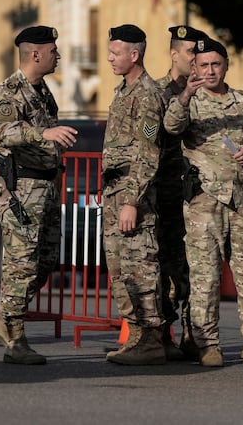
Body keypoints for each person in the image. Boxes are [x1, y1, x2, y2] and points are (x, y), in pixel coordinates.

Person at [164, 37, 243, 369]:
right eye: (203, 65)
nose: (209, 71)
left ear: (226, 66)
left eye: (215, 64)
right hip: (204, 201)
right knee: (205, 277)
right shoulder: (188, 102)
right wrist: (187, 93)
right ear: (194, 68)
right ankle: (207, 344)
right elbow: (170, 127)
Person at [0, 25, 77, 365]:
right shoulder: (8, 92)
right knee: (21, 264)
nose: (59, 56)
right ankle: (15, 338)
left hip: (46, 186)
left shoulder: (41, 90)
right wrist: (44, 132)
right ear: (35, 54)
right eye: (54, 51)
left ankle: (3, 318)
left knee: (45, 261)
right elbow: (3, 132)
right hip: (22, 188)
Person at [102, 24, 166, 365]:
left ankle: (152, 338)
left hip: (132, 197)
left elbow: (147, 150)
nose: (110, 58)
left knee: (141, 268)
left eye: (115, 53)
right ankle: (137, 333)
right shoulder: (123, 91)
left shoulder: (146, 95)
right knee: (120, 269)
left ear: (134, 55)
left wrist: (131, 202)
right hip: (114, 194)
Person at [154, 24, 208, 360]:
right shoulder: (157, 92)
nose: (197, 59)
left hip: (193, 192)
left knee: (192, 263)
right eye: (191, 52)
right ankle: (161, 332)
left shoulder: (205, 92)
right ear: (174, 54)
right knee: (161, 263)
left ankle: (193, 332)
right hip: (162, 190)